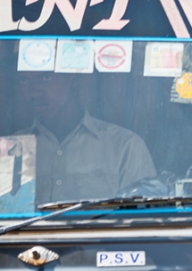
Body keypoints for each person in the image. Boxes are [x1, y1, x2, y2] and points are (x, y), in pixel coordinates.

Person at [19, 71, 155, 205]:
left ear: (74, 78)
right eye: (23, 80)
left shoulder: (124, 146)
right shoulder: (10, 148)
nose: (33, 92)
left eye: (46, 77)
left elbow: (142, 216)